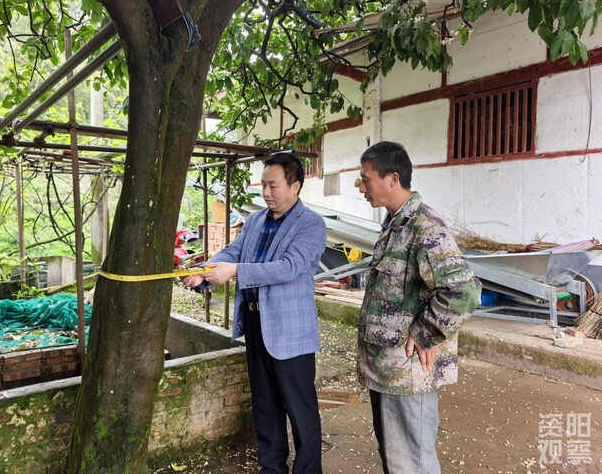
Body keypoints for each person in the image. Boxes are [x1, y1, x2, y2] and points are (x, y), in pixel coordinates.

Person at [183, 152, 326, 474]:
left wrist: (235, 272)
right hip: (255, 321)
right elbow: (234, 252)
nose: (266, 192)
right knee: (265, 403)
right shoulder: (256, 220)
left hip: (290, 330)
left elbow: (289, 267)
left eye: (273, 186)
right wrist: (205, 271)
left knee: (300, 409)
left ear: (295, 186)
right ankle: (271, 468)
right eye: (263, 185)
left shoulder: (310, 224)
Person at [355, 141, 481, 474]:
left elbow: (463, 292)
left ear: (392, 179)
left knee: (411, 459)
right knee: (394, 456)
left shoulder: (425, 227)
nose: (361, 187)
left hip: (408, 371)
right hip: (387, 368)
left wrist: (426, 333)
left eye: (366, 179)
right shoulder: (395, 224)